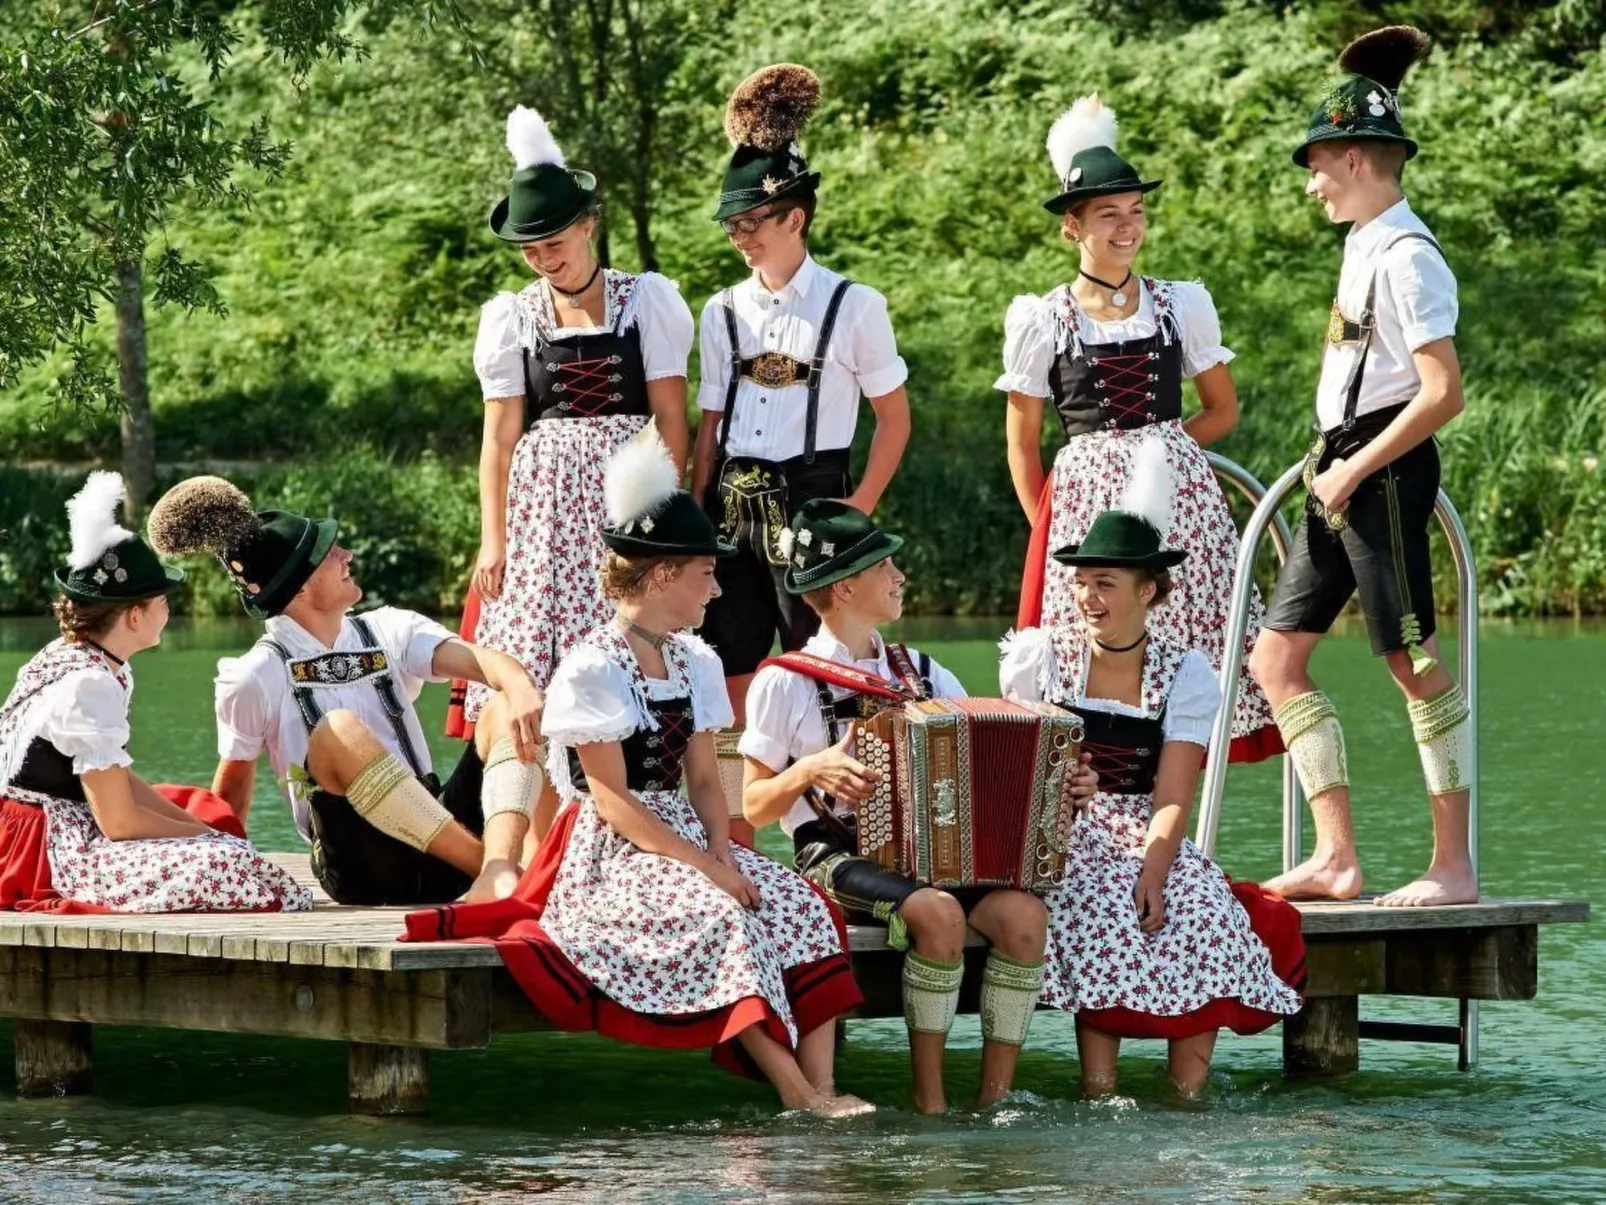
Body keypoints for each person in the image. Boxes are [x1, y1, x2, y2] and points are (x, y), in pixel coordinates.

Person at [404, 427, 872, 1119]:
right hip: (609, 847)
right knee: (724, 917)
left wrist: (723, 850)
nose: (718, 587)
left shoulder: (696, 660)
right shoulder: (592, 667)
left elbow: (710, 782)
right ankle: (796, 1093)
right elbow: (613, 800)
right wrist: (708, 872)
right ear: (662, 577)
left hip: (683, 832)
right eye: (706, 572)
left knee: (805, 904)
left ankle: (823, 1082)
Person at [741, 499, 1094, 1113]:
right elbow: (751, 805)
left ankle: (994, 1103)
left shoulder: (927, 674)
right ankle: (930, 1102)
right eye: (886, 566)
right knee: (938, 914)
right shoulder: (786, 680)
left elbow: (997, 758)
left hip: (944, 861)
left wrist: (1063, 785)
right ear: (847, 587)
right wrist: (808, 768)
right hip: (837, 855)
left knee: (1025, 919)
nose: (900, 576)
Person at [1249, 26, 1473, 907]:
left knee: (1411, 658)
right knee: (1276, 661)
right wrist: (1326, 466)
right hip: (1333, 465)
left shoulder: (1411, 256)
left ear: (1352, 159)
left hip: (1380, 470)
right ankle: (1338, 856)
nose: (1311, 184)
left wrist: (1354, 470)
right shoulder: (1363, 244)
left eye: (1316, 166)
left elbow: (1441, 391)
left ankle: (1452, 865)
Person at [1000, 450, 1304, 1098]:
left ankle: (1186, 1093)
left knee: (1204, 905)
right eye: (1082, 581)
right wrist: (1062, 789)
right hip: (1066, 831)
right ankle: (1099, 1089)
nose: (1087, 596)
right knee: (1105, 902)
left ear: (1148, 590)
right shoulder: (1045, 660)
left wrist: (1156, 868)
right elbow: (1017, 772)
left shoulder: (1185, 674)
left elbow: (1171, 797)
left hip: (1146, 827)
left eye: (1105, 582)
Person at [1000, 94, 1279, 761]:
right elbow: (1021, 439)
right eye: (1108, 215)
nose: (1128, 227)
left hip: (1178, 505)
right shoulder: (1045, 319)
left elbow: (1222, 408)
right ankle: (1090, 824)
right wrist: (1050, 520)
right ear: (1072, 226)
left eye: (1136, 212)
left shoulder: (1180, 303)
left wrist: (1163, 450)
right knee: (1084, 660)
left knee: (1188, 648)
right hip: (1083, 510)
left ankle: (1176, 817)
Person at [445, 106, 695, 840]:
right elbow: (499, 437)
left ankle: (609, 831)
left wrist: (664, 518)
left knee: (609, 661)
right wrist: (494, 538)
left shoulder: (646, 300)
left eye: (551, 242)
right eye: (529, 248)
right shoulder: (512, 318)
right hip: (542, 513)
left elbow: (671, 419)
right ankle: (516, 847)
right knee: (528, 668)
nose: (541, 258)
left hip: (620, 501)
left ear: (589, 224)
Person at [147, 476, 546, 906]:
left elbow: (483, 661)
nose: (345, 555)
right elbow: (232, 795)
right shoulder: (253, 675)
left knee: (506, 704)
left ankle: (500, 869)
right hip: (364, 866)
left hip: (441, 830)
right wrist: (222, 875)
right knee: (337, 729)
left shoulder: (390, 628)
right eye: (327, 554)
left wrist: (519, 685)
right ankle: (497, 873)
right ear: (298, 587)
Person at [689, 64, 912, 827]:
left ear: (796, 217)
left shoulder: (855, 304)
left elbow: (895, 419)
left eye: (754, 222)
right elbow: (710, 428)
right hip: (733, 503)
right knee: (734, 671)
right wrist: (695, 512)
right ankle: (738, 844)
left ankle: (840, 832)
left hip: (814, 494)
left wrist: (858, 510)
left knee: (824, 662)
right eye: (734, 226)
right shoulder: (719, 311)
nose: (741, 238)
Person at [0, 472, 311, 914]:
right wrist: (206, 840)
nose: (170, 606)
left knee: (216, 831)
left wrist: (197, 828)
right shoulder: (89, 685)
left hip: (38, 830)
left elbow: (116, 779)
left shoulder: (82, 658)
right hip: (43, 852)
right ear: (132, 616)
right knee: (225, 865)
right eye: (161, 599)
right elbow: (120, 822)